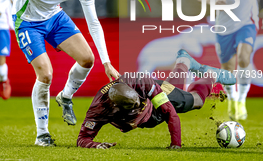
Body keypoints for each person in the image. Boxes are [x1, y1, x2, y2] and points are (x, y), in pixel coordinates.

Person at [0, 0, 120, 147]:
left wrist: (106, 62)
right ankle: (42, 135)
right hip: (27, 21)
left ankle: (65, 97)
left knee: (87, 59)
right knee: (45, 74)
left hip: (54, 17)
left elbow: (93, 22)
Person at [77, 49, 236, 149]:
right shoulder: (98, 109)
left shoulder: (141, 82)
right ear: (116, 108)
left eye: (139, 104)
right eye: (136, 108)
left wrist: (176, 144)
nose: (140, 108)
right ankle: (183, 62)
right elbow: (83, 138)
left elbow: (170, 112)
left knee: (194, 101)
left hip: (155, 97)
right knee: (177, 90)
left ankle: (210, 76)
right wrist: (95, 145)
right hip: (146, 117)